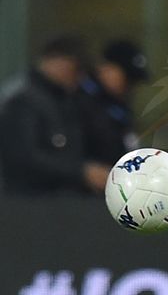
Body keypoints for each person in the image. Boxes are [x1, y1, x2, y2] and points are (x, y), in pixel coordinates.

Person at [0, 35, 110, 195]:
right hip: (28, 200)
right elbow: (23, 158)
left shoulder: (66, 99)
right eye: (76, 69)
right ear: (57, 61)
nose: (80, 77)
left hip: (62, 199)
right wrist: (81, 172)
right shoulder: (22, 98)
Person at [79, 39, 150, 166]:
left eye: (134, 81)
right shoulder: (78, 102)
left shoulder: (119, 108)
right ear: (107, 68)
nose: (131, 86)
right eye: (128, 78)